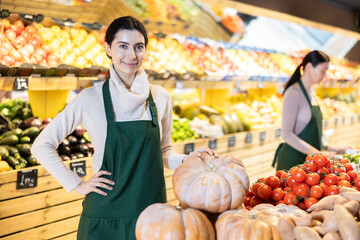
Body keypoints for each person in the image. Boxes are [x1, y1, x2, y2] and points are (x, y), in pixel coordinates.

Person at [31, 16, 217, 240]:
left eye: (139, 47)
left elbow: (164, 152)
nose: (132, 55)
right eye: (123, 46)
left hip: (152, 214)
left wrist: (188, 160)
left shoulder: (160, 97)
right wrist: (76, 184)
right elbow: (41, 145)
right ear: (108, 48)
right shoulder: (91, 98)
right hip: (104, 216)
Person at [272, 50, 348, 171]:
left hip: (310, 163)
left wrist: (332, 148)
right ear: (308, 67)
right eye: (322, 71)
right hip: (293, 163)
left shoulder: (311, 94)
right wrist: (318, 154)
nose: (324, 77)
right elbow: (287, 134)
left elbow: (310, 136)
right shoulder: (293, 93)